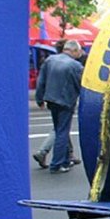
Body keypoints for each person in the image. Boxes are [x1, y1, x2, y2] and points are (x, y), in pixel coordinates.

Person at [35, 39, 85, 174]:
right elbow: (82, 86)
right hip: (66, 101)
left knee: (58, 129)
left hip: (51, 99)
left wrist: (39, 99)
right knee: (62, 132)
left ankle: (64, 160)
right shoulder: (75, 66)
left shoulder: (50, 60)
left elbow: (41, 81)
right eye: (79, 51)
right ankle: (57, 163)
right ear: (74, 51)